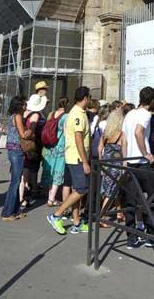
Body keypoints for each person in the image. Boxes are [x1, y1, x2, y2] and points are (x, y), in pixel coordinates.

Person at [46, 86, 91, 235]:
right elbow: (78, 139)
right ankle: (56, 215)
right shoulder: (77, 114)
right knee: (81, 189)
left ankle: (76, 221)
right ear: (85, 98)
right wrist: (85, 161)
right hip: (76, 157)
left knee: (77, 189)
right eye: (89, 97)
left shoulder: (78, 112)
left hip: (74, 156)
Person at [120, 86, 154, 249]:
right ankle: (152, 234)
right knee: (153, 197)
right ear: (151, 100)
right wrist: (146, 153)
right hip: (143, 163)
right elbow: (138, 132)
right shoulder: (145, 114)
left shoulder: (130, 114)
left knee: (131, 200)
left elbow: (124, 138)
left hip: (130, 161)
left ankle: (132, 237)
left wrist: (124, 159)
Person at [2, 96, 28, 221]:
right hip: (16, 149)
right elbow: (23, 134)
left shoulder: (12, 115)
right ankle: (7, 212)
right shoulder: (17, 116)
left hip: (12, 149)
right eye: (24, 104)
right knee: (15, 181)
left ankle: (15, 209)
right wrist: (30, 131)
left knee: (16, 179)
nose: (26, 106)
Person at [97, 108, 124, 228]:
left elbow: (99, 148)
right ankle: (101, 217)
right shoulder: (121, 134)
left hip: (106, 164)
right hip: (116, 166)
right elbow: (124, 151)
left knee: (112, 189)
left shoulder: (106, 133)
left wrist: (101, 160)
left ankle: (119, 212)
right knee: (111, 192)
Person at [41, 98, 69, 207]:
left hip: (50, 147)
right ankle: (51, 199)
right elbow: (66, 133)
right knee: (58, 172)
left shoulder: (51, 114)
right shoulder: (66, 117)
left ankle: (50, 196)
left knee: (50, 171)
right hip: (60, 147)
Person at [21, 91, 44, 209]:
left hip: (24, 144)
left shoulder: (25, 113)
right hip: (32, 144)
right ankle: (31, 189)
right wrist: (33, 135)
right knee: (33, 167)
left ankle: (25, 188)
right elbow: (31, 131)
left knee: (26, 166)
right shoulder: (35, 115)